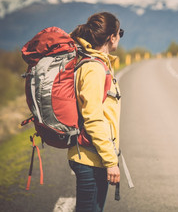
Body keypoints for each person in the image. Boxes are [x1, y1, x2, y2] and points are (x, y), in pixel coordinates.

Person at [68, 12, 124, 212]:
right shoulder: (94, 68)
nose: (119, 37)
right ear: (112, 37)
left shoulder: (98, 64)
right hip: (91, 159)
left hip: (93, 156)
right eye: (120, 33)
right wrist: (111, 161)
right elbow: (93, 118)